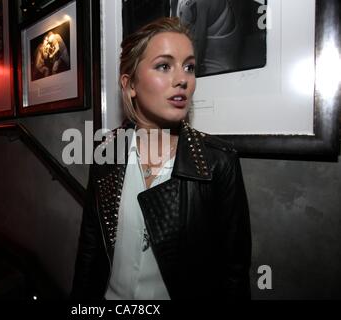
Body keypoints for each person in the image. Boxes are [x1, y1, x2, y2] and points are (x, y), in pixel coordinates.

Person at [71, 17, 251, 300]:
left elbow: (233, 274)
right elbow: (90, 250)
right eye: (164, 66)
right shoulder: (106, 153)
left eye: (189, 67)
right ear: (130, 84)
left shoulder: (218, 163)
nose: (182, 79)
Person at [171, 0, 242, 76]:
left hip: (215, 78)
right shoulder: (177, 3)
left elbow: (192, 62)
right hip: (215, 74)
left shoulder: (195, 3)